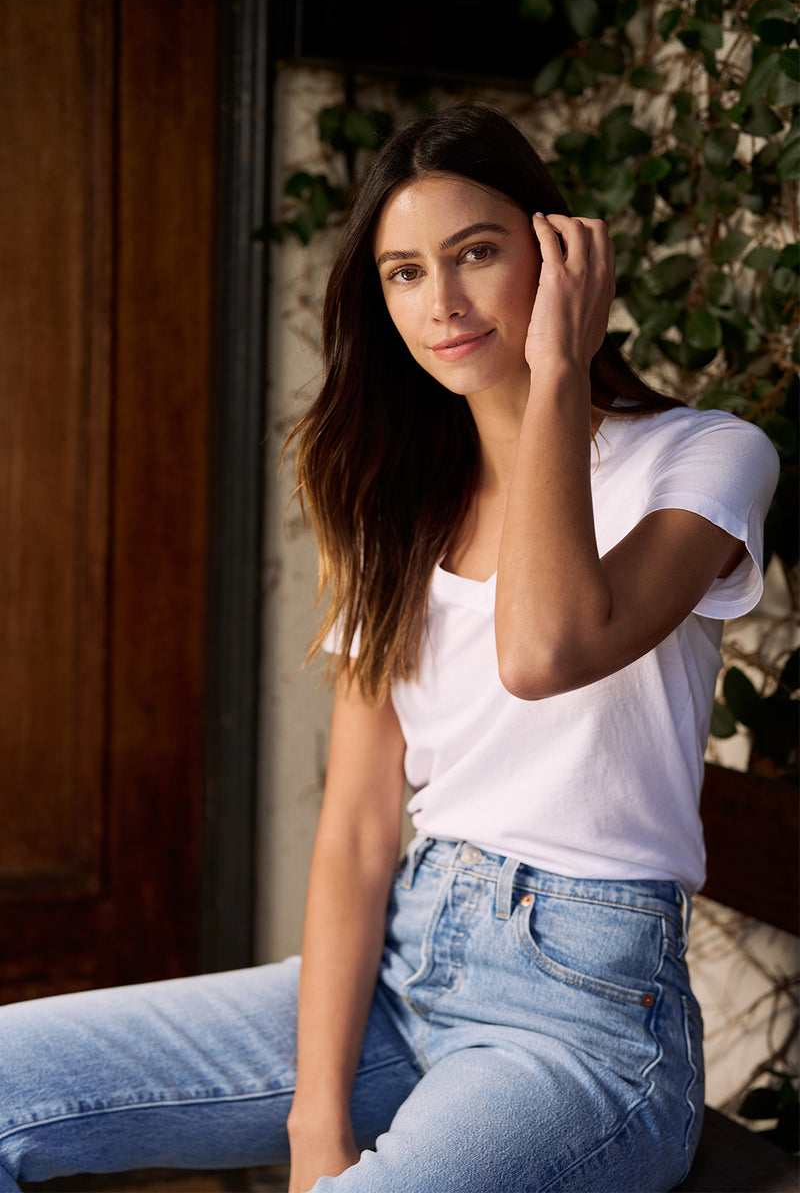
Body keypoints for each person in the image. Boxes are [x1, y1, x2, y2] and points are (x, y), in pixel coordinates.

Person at [0, 104, 779, 1193]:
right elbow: (360, 829)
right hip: (404, 971)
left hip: (583, 1034)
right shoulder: (398, 508)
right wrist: (313, 1125)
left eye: (476, 253)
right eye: (404, 272)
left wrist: (558, 373)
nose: (442, 301)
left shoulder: (703, 459)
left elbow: (545, 648)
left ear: (559, 254)